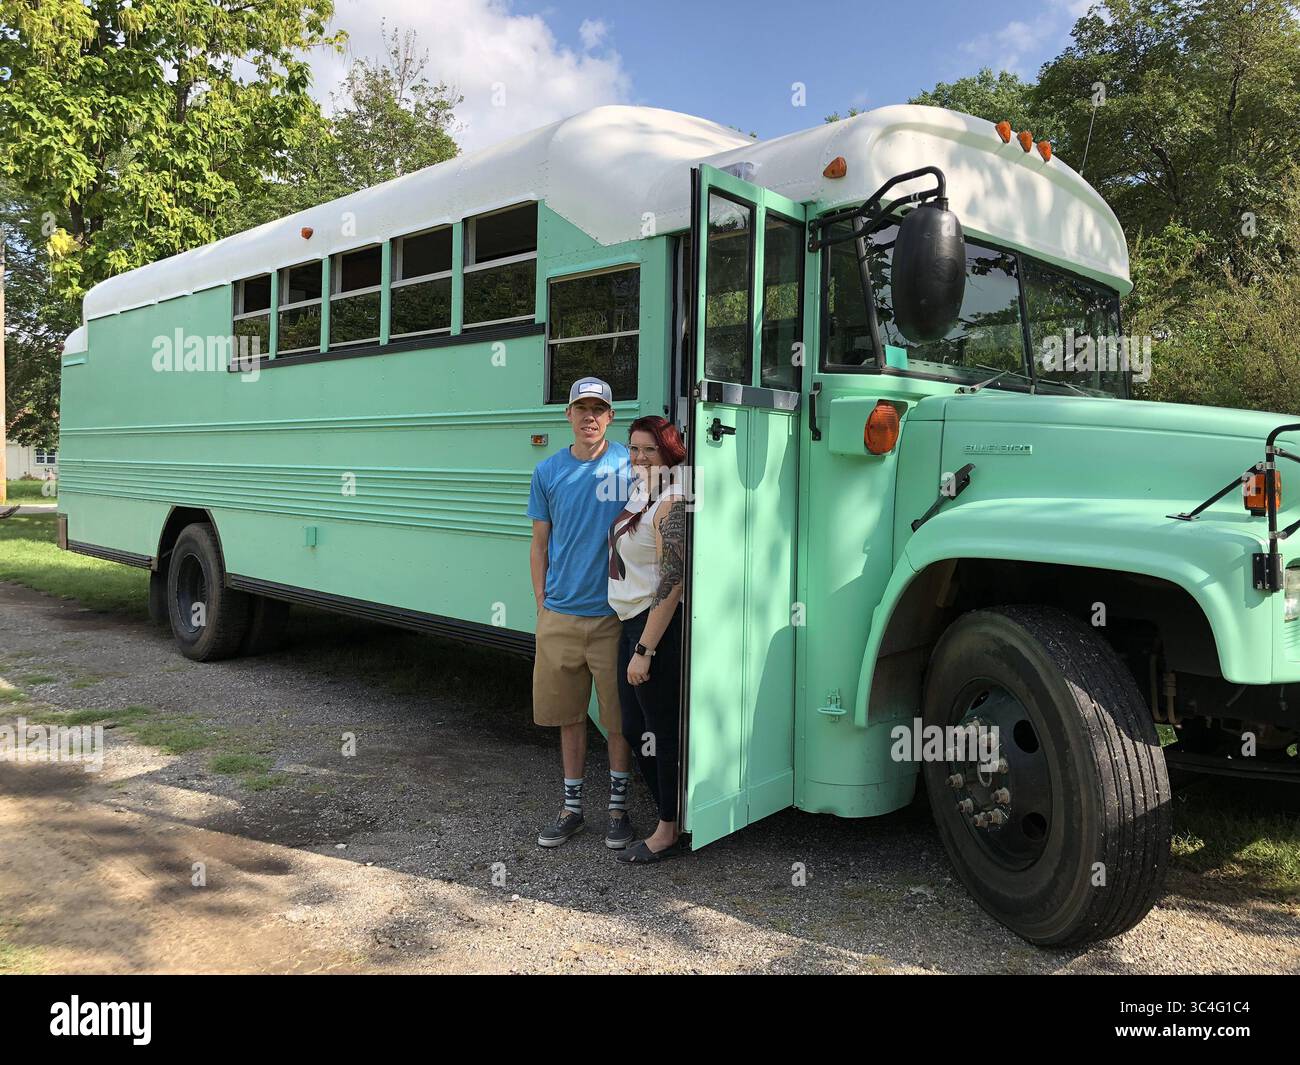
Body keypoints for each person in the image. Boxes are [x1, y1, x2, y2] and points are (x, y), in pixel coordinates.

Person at [528, 377, 637, 849]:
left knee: (617, 718)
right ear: (568, 416)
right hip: (561, 615)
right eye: (581, 408)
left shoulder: (629, 465)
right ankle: (572, 809)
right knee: (569, 716)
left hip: (613, 615)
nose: (589, 416)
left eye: (599, 409)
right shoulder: (547, 471)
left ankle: (618, 809)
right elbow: (539, 543)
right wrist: (542, 604)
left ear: (611, 418)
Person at [607, 415, 687, 863]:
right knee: (634, 728)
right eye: (633, 449)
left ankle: (667, 830)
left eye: (648, 450)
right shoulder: (641, 491)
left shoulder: (671, 502)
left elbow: (672, 584)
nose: (638, 457)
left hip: (654, 630)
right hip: (629, 623)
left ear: (668, 452)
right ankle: (669, 813)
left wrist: (645, 649)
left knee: (660, 731)